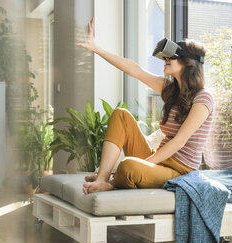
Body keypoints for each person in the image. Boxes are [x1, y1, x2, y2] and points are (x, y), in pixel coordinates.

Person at [78, 18, 214, 194]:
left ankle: (113, 179)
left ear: (188, 62)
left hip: (179, 171)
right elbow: (135, 70)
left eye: (172, 55)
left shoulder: (203, 98)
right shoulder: (171, 90)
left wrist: (144, 163)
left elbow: (180, 141)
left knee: (129, 166)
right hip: (158, 160)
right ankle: (102, 179)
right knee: (121, 115)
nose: (165, 58)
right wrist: (96, 49)